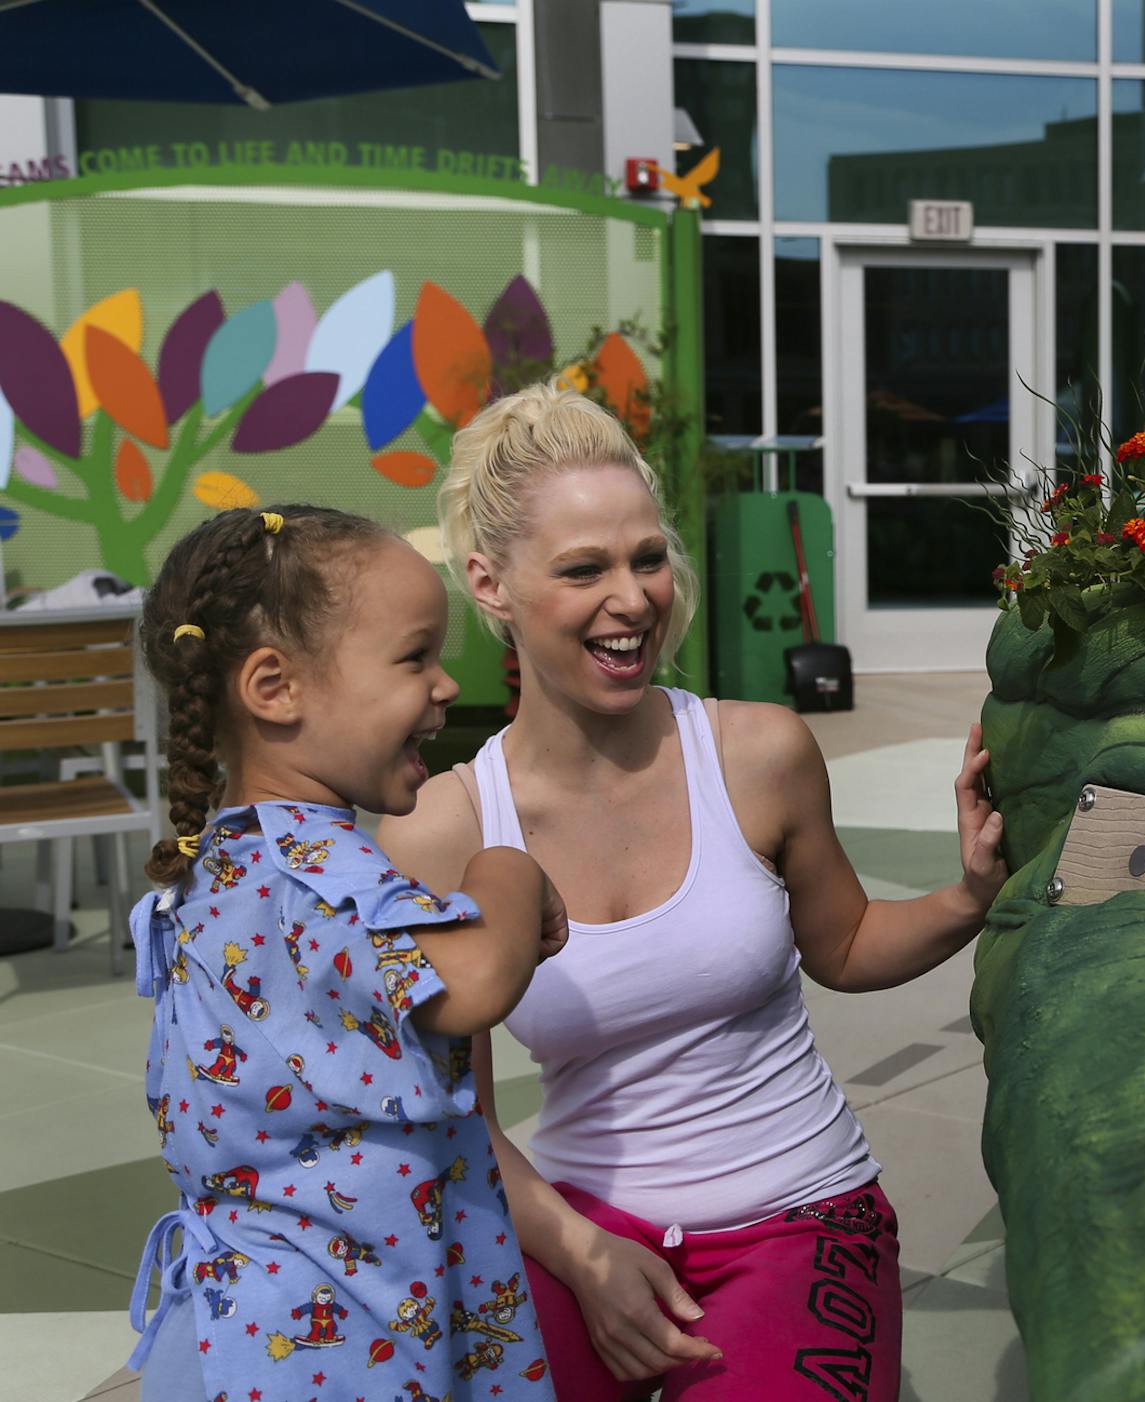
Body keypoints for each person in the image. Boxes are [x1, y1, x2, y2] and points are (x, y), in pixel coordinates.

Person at [378, 384, 1007, 1401]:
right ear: (490, 585)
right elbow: (457, 1119)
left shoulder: (759, 752)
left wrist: (970, 894)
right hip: (572, 1224)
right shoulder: (440, 831)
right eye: (585, 569)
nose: (632, 599)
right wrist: (583, 1260)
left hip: (800, 1216)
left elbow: (842, 946)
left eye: (647, 558)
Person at [124, 505, 569, 1402]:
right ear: (275, 687)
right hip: (321, 1353)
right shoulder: (317, 868)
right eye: (415, 658)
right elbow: (474, 981)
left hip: (241, 1338)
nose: (445, 685)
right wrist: (508, 870)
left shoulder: (227, 862)